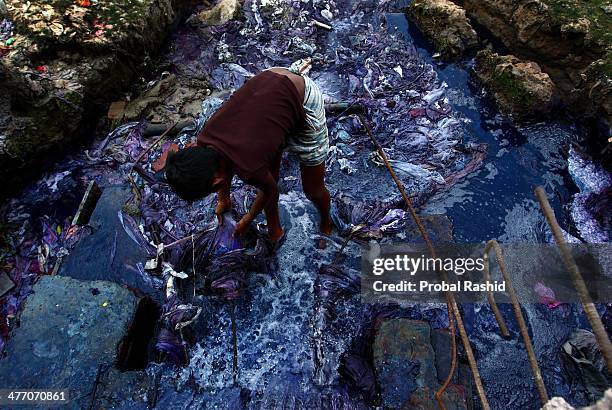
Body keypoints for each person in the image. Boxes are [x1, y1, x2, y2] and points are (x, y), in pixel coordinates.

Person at [164, 65, 332, 244]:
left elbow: (270, 190)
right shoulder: (205, 138)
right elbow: (220, 166)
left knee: (313, 190)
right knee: (268, 172)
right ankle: (275, 230)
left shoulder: (249, 167)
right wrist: (223, 199)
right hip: (270, 79)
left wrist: (248, 218)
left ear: (217, 182)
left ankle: (326, 222)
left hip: (303, 95)